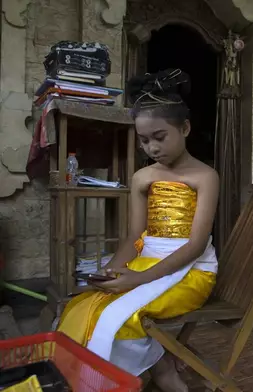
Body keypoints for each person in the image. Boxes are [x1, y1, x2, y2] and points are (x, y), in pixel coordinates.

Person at [56, 69, 219, 392]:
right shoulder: (142, 178)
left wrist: (138, 279)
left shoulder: (205, 176)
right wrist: (113, 269)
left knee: (122, 318)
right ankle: (157, 369)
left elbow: (197, 244)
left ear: (184, 128)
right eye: (144, 140)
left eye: (160, 137)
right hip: (145, 262)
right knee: (81, 306)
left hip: (191, 271)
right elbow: (134, 237)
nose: (152, 148)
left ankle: (161, 375)